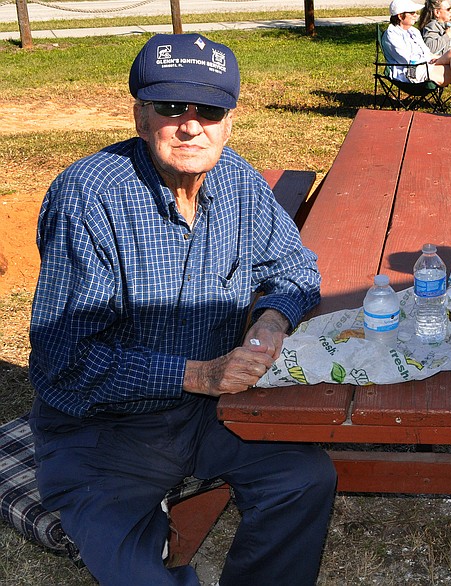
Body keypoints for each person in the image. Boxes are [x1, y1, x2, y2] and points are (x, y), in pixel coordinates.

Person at [28, 34, 337, 586]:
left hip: (207, 415)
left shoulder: (237, 179)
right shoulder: (89, 197)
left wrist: (270, 320)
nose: (191, 125)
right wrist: (200, 374)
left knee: (304, 479)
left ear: (229, 120)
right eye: (171, 107)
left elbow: (296, 269)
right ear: (141, 117)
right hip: (102, 431)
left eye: (209, 110)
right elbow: (64, 359)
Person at [383, 0, 451, 107]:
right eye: (412, 13)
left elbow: (426, 52)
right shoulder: (391, 35)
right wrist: (431, 60)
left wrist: (436, 58)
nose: (416, 15)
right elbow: (407, 60)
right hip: (411, 72)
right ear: (399, 16)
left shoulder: (414, 31)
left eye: (416, 13)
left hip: (425, 65)